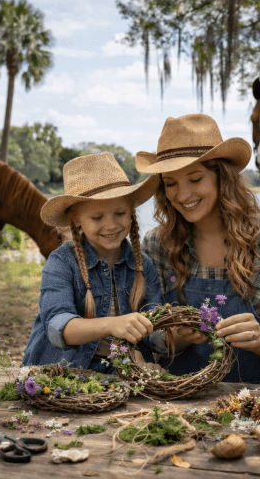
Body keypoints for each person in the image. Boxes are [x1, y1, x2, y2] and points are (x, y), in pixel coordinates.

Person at [136, 113, 260, 384]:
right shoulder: (157, 245)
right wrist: (174, 337)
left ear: (222, 176)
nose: (182, 195)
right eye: (171, 184)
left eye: (195, 179)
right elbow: (148, 328)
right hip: (185, 394)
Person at [22, 152, 163, 373]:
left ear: (132, 211)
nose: (110, 225)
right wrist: (112, 325)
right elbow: (59, 327)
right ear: (76, 219)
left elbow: (154, 330)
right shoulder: (61, 262)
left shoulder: (144, 265)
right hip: (62, 376)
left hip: (123, 374)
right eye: (97, 218)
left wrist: (175, 336)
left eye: (120, 213)